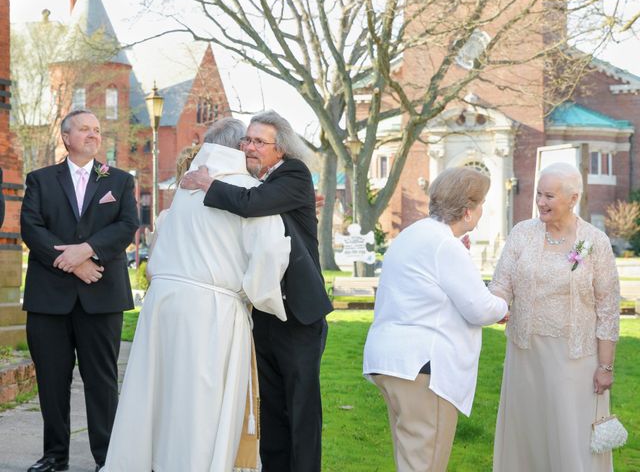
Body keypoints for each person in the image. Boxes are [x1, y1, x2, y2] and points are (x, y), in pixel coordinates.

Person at [102, 118, 292, 472]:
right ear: (239, 147)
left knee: (159, 399)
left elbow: (159, 245)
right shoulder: (246, 189)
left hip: (164, 305)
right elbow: (269, 252)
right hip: (211, 310)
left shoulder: (186, 189)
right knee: (200, 406)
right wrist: (260, 297)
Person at [181, 110, 333, 472]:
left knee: (301, 408)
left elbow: (253, 206)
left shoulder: (294, 173)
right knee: (272, 408)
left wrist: (207, 184)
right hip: (264, 314)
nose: (248, 147)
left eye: (258, 141)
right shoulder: (262, 180)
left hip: (298, 313)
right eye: (246, 140)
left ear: (280, 148)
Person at [362, 167, 508, 472]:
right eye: (481, 204)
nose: (482, 211)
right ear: (467, 211)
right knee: (426, 464)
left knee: (411, 460)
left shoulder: (414, 233)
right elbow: (480, 308)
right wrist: (504, 305)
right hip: (423, 366)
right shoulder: (445, 245)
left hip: (389, 360)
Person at [20, 109, 138, 472]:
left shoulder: (118, 181)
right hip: (48, 297)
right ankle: (55, 456)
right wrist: (73, 261)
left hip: (101, 294)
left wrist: (87, 251)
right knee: (52, 381)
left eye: (97, 130)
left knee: (101, 380)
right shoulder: (40, 179)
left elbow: (127, 224)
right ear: (66, 137)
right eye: (84, 129)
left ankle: (108, 458)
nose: (93, 135)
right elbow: (32, 228)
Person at [491, 163, 620, 472]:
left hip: (573, 358)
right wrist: (489, 307)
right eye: (538, 194)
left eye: (549, 195)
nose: (541, 202)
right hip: (525, 354)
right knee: (528, 433)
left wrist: (605, 366)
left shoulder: (595, 241)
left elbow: (608, 309)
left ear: (572, 198)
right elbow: (500, 285)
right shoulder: (522, 233)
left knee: (571, 436)